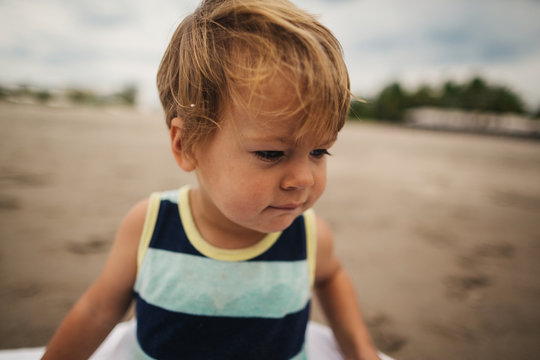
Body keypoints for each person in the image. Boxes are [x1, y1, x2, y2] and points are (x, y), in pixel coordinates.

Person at [42, 0, 385, 359]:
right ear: (187, 144)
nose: (303, 179)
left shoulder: (309, 237)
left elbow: (330, 277)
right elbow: (98, 311)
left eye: (319, 152)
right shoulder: (152, 226)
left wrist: (362, 351)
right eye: (271, 153)